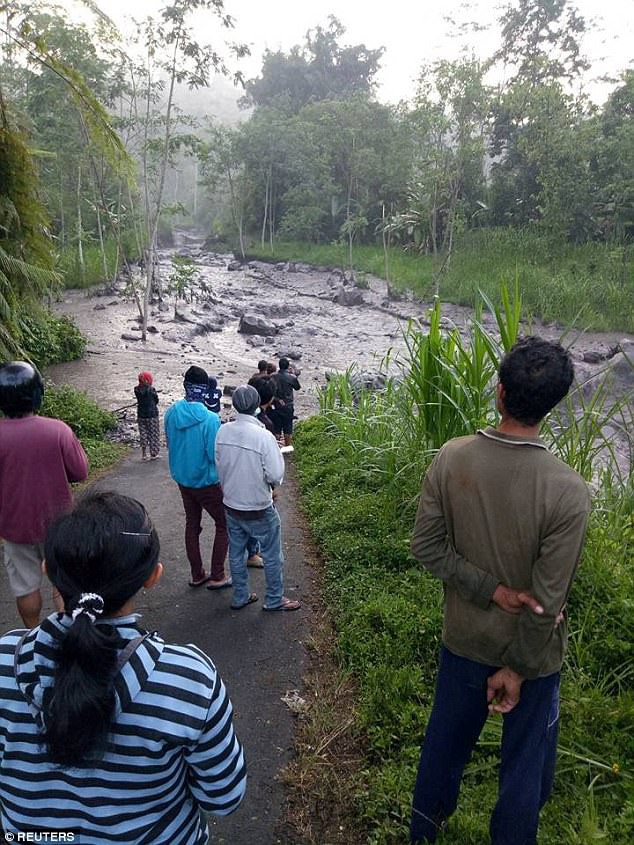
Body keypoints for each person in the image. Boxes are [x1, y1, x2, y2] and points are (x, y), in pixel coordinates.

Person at [409, 336, 591, 845]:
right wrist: (517, 668)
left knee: (444, 748)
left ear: (500, 393)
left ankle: (422, 833)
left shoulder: (453, 458)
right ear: (552, 405)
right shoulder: (568, 490)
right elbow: (546, 600)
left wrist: (490, 591)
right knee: (525, 771)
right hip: (536, 658)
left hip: (465, 640)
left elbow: (426, 547)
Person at [0, 491, 246, 841]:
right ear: (152, 577)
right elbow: (224, 796)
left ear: (47, 572)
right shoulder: (188, 679)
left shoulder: (5, 658)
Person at [0, 361, 88, 627]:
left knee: (25, 586)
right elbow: (80, 471)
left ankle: (33, 634)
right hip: (57, 524)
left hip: (14, 527)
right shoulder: (57, 430)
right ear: (37, 393)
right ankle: (65, 628)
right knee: (62, 581)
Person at [215, 385, 300, 612]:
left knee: (236, 551)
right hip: (259, 506)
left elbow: (220, 465)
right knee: (272, 555)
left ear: (234, 405)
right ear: (256, 404)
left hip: (231, 503)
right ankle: (274, 599)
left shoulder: (223, 431)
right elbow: (274, 474)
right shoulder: (263, 436)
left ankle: (240, 596)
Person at [164, 365, 230, 589]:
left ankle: (197, 574)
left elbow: (170, 443)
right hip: (206, 482)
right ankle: (218, 574)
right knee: (224, 523)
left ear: (185, 386)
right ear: (204, 389)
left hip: (183, 480)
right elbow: (214, 456)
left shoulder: (172, 412)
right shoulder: (211, 419)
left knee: (192, 524)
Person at [272, 357, 300, 447]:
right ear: (288, 366)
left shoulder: (273, 376)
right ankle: (287, 448)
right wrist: (293, 374)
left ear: (279, 366)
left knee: (277, 428)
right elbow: (297, 387)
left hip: (276, 404)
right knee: (288, 428)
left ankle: (275, 447)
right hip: (288, 405)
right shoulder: (291, 377)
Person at [134, 370, 160, 460]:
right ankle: (153, 454)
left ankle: (144, 454)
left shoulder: (136, 389)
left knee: (143, 434)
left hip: (141, 414)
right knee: (154, 434)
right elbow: (156, 400)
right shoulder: (151, 389)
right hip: (152, 415)